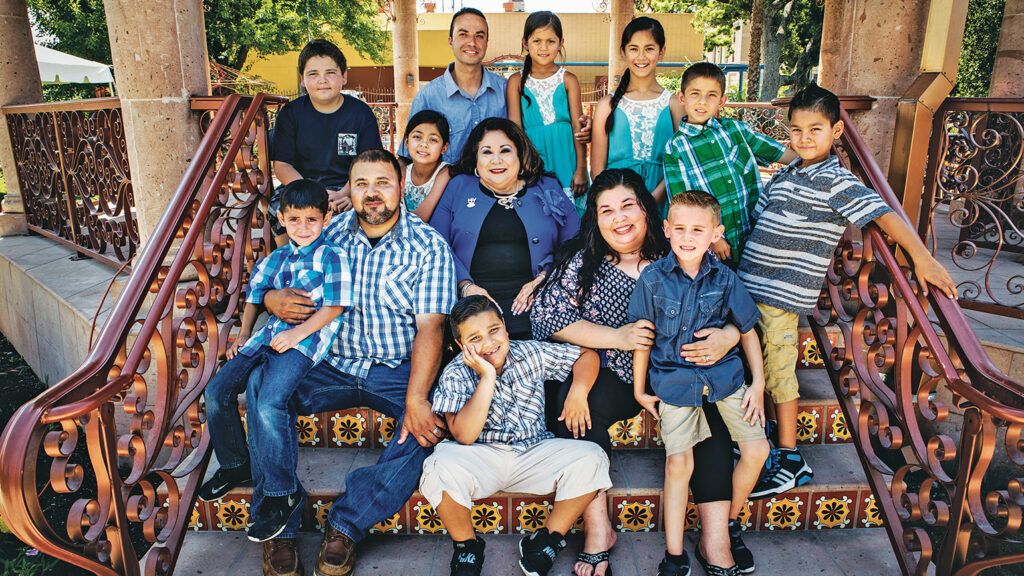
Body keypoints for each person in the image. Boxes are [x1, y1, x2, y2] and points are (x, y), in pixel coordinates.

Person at [737, 84, 958, 500]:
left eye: (815, 129)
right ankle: (764, 442)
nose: (804, 138)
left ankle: (789, 458)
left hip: (781, 300)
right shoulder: (788, 173)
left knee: (780, 375)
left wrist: (922, 258)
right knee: (756, 373)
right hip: (751, 290)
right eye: (797, 130)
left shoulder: (838, 181)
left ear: (837, 130)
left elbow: (885, 216)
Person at [249, 149, 457, 576]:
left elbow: (431, 329)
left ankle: (346, 522)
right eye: (361, 184)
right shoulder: (327, 231)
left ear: (401, 187)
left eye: (382, 182)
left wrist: (417, 397)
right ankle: (279, 523)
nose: (372, 193)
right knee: (258, 387)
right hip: (326, 362)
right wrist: (271, 299)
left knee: (433, 424)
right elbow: (276, 277)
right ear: (350, 190)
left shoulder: (428, 245)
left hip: (393, 367)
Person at [531, 169, 745, 576]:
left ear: (647, 210)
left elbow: (739, 310)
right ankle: (598, 530)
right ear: (595, 218)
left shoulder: (681, 252)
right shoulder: (584, 263)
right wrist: (618, 336)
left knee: (711, 419)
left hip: (679, 372)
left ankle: (715, 537)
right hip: (613, 373)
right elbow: (550, 318)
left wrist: (728, 337)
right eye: (606, 210)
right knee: (574, 409)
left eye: (628, 205)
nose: (619, 217)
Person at [629, 191, 771, 576]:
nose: (687, 237)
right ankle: (674, 554)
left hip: (725, 378)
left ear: (716, 233)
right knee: (679, 463)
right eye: (679, 229)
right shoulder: (653, 278)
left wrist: (757, 384)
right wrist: (640, 389)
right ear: (666, 229)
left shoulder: (725, 278)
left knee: (757, 449)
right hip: (675, 382)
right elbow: (643, 335)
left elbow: (747, 331)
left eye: (697, 229)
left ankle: (724, 523)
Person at [421, 295, 611, 576]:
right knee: (438, 465)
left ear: (505, 328)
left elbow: (586, 355)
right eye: (474, 338)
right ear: (461, 346)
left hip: (535, 451)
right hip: (482, 457)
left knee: (592, 456)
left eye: (494, 330)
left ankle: (547, 540)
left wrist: (579, 391)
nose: (488, 344)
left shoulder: (530, 352)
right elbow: (464, 435)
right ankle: (467, 547)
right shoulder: (455, 374)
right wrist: (487, 377)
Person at [199, 180, 351, 528]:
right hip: (265, 337)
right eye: (294, 220)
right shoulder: (276, 258)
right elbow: (255, 296)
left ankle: (282, 493)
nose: (303, 228)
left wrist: (297, 333)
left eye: (311, 220)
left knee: (270, 402)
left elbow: (335, 307)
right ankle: (236, 464)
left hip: (305, 343)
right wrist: (243, 335)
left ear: (326, 217)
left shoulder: (332, 256)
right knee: (217, 391)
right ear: (282, 218)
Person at [430, 117, 579, 340]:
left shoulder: (547, 186)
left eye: (505, 150)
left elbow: (575, 242)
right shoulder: (458, 186)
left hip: (540, 308)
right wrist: (465, 286)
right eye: (487, 152)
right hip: (473, 311)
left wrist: (544, 278)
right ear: (476, 161)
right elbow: (436, 244)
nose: (496, 160)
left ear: (520, 155)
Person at [663, 62, 798, 265]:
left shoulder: (736, 130)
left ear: (722, 100)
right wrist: (714, 240)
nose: (702, 101)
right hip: (717, 245)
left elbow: (779, 153)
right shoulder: (675, 148)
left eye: (711, 95)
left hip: (754, 232)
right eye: (695, 94)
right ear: (682, 98)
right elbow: (682, 203)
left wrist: (813, 161)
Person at [270, 39, 384, 242]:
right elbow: (282, 165)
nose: (322, 80)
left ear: (344, 76)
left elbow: (371, 163)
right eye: (313, 74)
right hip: (302, 184)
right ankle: (288, 263)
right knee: (278, 207)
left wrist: (348, 193)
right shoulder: (291, 114)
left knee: (375, 210)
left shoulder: (360, 113)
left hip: (350, 185)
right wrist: (314, 193)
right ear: (302, 80)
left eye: (330, 73)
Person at [590, 17, 682, 209]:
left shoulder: (673, 104)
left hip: (662, 203)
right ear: (623, 52)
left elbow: (680, 163)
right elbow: (597, 170)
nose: (641, 57)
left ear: (662, 52)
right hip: (618, 205)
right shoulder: (607, 105)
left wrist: (649, 202)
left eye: (649, 48)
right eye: (634, 49)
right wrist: (623, 205)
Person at [400, 8, 507, 164]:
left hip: (497, 186)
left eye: (479, 36)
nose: (472, 42)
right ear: (450, 40)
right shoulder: (429, 96)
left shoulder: (505, 90)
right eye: (463, 34)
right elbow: (407, 157)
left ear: (487, 42)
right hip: (447, 187)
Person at [507, 11, 588, 213]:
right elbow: (515, 130)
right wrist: (523, 166)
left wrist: (580, 169)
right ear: (525, 43)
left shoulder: (568, 80)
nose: (544, 48)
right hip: (533, 163)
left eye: (551, 41)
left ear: (561, 43)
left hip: (566, 160)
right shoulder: (515, 82)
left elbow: (578, 129)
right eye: (537, 41)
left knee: (572, 218)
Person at [400, 109, 452, 221]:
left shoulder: (445, 173)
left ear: (444, 148)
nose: (424, 144)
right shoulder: (401, 173)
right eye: (417, 137)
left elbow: (420, 218)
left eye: (433, 140)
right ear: (406, 142)